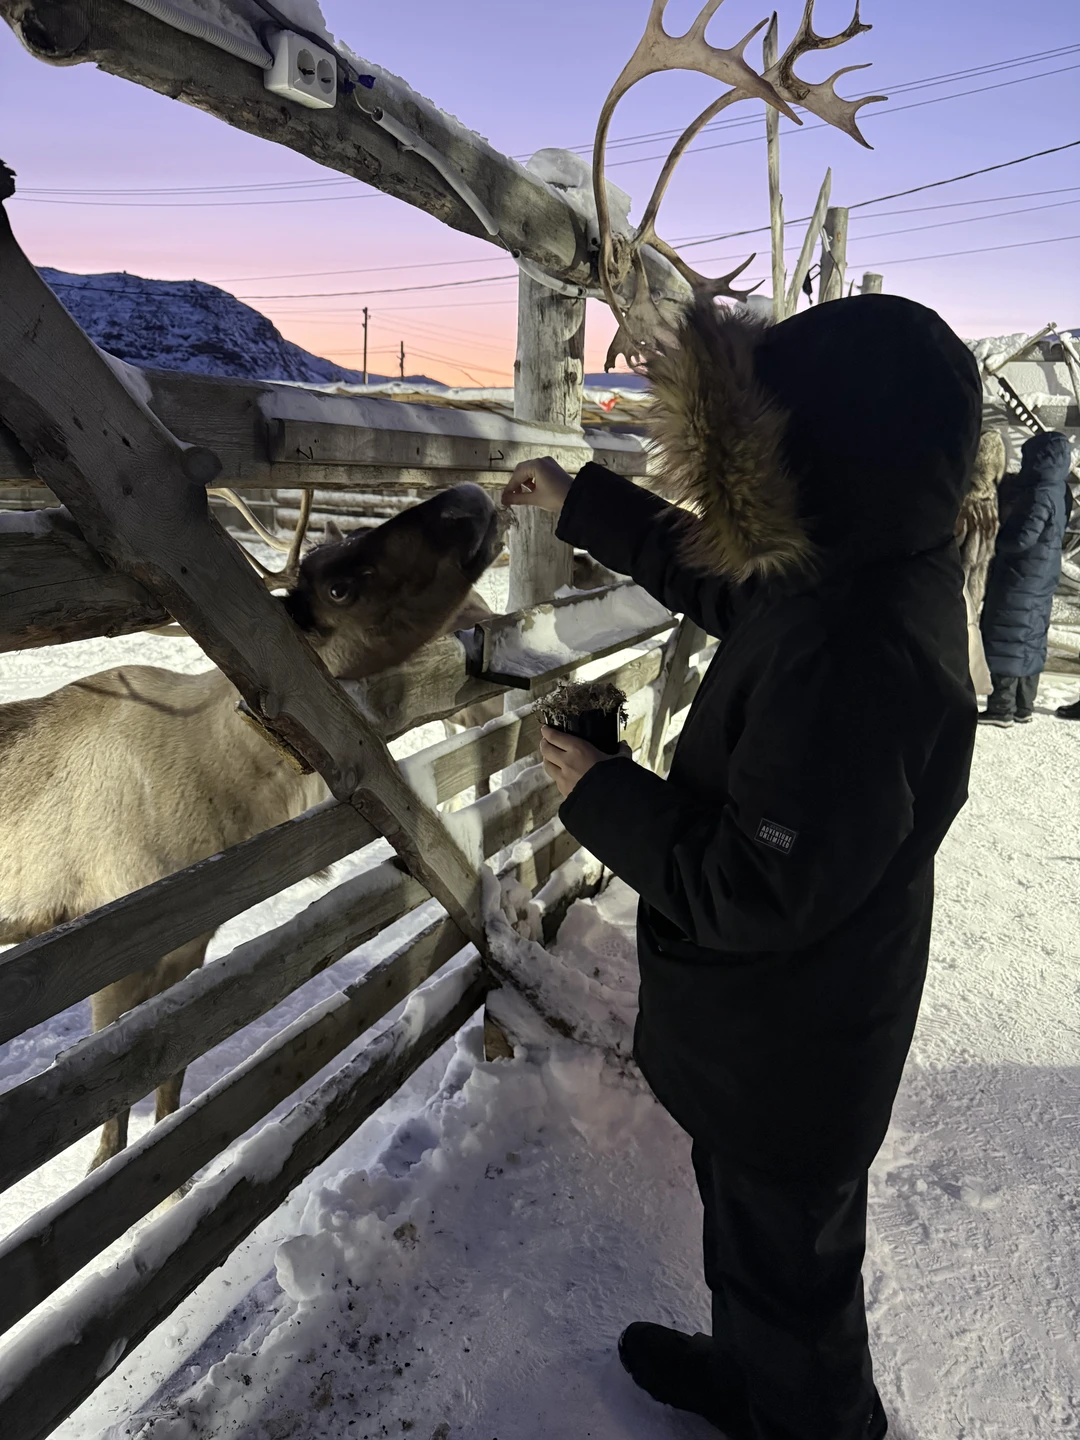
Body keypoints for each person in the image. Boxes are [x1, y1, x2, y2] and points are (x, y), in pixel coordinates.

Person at [502, 294, 982, 1440]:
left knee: (795, 1281)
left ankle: (814, 1420)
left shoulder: (856, 657)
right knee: (755, 1243)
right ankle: (751, 1377)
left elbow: (754, 887)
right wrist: (591, 507)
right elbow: (727, 582)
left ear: (814, 457)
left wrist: (601, 790)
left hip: (795, 1053)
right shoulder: (853, 570)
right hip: (788, 1038)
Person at [978, 430, 1074, 727]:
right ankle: (1024, 705)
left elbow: (1023, 538)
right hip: (1043, 572)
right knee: (1031, 636)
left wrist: (995, 539)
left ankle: (1001, 708)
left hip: (1021, 573)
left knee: (1005, 632)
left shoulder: (1039, 492)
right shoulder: (1060, 489)